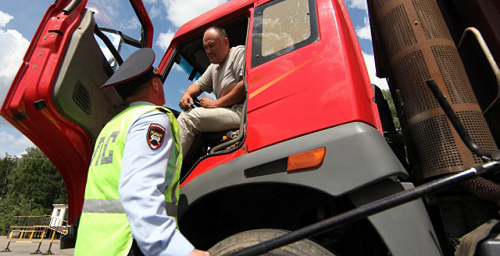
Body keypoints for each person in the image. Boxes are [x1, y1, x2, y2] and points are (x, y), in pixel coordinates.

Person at [74, 48, 209, 256]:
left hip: (93, 246)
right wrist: (179, 251)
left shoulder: (111, 125)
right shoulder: (151, 119)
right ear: (155, 83)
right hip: (126, 243)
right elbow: (138, 191)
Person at [177, 26, 246, 156]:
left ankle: (167, 173)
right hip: (227, 111)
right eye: (205, 48)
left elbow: (243, 86)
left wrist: (216, 103)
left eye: (211, 46)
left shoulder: (238, 53)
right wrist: (186, 94)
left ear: (225, 42)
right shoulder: (213, 68)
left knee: (189, 118)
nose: (208, 51)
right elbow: (196, 86)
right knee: (189, 114)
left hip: (240, 112)